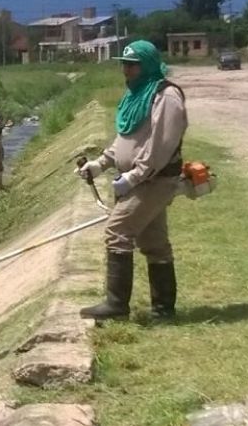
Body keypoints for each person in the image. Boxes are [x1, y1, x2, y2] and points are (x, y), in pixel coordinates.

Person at [76, 40, 188, 320]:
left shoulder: (166, 97)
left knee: (117, 231)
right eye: (123, 64)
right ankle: (163, 310)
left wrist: (134, 177)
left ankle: (116, 306)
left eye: (132, 65)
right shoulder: (136, 96)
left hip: (155, 180)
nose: (126, 70)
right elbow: (126, 138)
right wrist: (101, 164)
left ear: (147, 65)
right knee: (155, 242)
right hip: (140, 180)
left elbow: (160, 147)